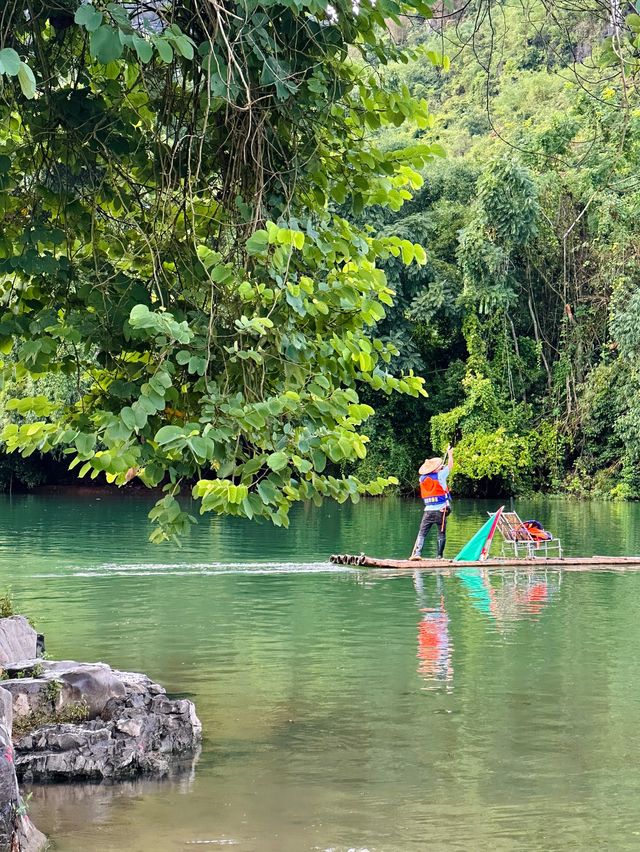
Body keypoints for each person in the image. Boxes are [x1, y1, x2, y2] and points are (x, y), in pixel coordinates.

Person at [409, 445, 453, 560]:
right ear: (436, 469)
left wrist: (438, 468)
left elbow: (433, 473)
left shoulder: (421, 479)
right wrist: (450, 454)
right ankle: (439, 556)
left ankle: (417, 554)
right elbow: (450, 466)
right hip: (441, 510)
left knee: (422, 533)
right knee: (441, 533)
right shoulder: (441, 475)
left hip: (427, 511)